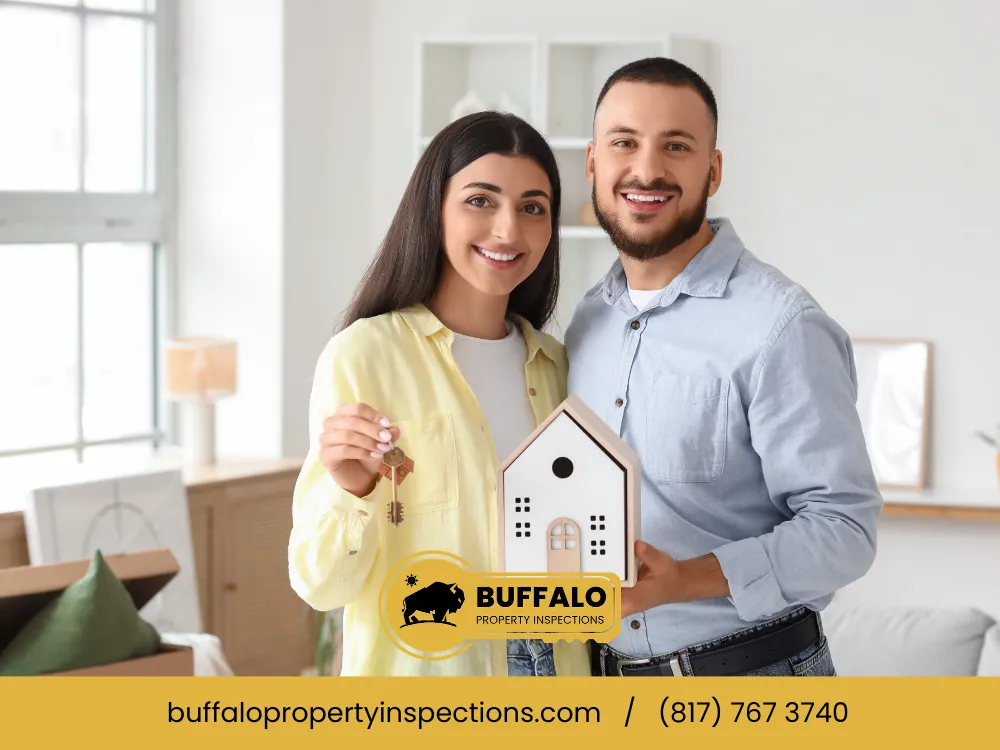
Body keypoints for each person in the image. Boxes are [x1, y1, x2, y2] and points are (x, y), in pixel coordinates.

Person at [565, 58, 883, 677]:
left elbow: (845, 531)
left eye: (676, 146)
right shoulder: (585, 323)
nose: (647, 170)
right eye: (624, 143)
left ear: (712, 171)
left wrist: (685, 579)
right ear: (593, 163)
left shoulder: (781, 325)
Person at [288, 111, 591, 678]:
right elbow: (321, 585)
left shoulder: (560, 368)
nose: (508, 230)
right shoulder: (365, 355)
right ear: (434, 208)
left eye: (533, 208)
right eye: (480, 200)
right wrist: (352, 489)